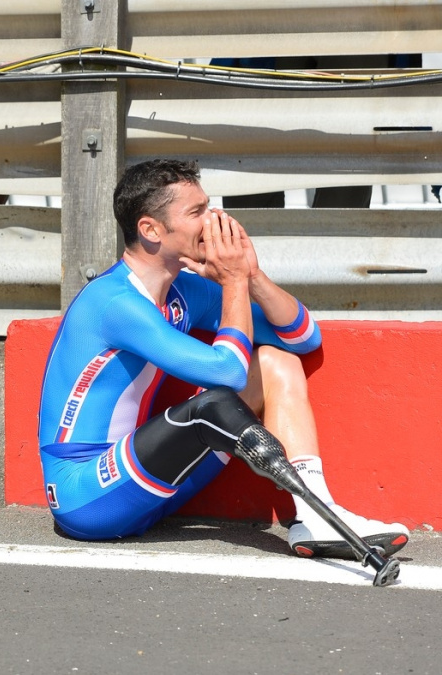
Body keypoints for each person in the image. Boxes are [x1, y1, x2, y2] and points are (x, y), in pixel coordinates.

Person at [36, 158, 409, 559]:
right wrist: (231, 282)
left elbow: (302, 338)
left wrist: (251, 276)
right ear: (151, 230)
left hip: (148, 488)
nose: (214, 220)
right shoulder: (114, 302)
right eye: (197, 211)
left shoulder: (181, 292)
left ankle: (316, 517)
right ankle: (320, 517)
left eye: (209, 206)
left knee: (275, 362)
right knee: (210, 408)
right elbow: (227, 374)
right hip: (86, 496)